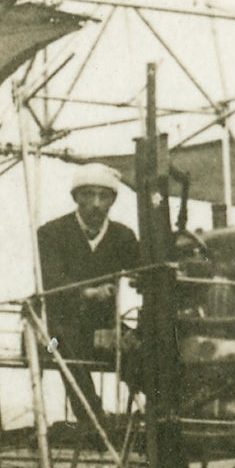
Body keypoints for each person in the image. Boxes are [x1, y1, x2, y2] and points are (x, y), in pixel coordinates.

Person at [32, 175, 141, 415]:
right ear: (76, 198)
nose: (96, 203)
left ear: (112, 200)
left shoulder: (122, 235)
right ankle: (92, 418)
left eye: (103, 196)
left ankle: (152, 416)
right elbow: (51, 279)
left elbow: (142, 270)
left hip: (100, 333)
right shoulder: (51, 233)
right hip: (49, 337)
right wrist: (89, 293)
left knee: (140, 346)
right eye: (88, 195)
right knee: (65, 345)